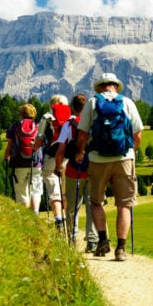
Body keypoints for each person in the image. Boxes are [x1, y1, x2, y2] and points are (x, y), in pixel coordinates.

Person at [74, 72, 143, 261]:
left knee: (96, 201)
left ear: (100, 87)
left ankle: (103, 241)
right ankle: (121, 249)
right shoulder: (127, 102)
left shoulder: (92, 103)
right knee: (124, 204)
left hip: (98, 159)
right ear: (115, 86)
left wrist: (80, 152)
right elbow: (138, 135)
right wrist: (133, 152)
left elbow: (82, 134)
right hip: (124, 158)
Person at [56, 93, 99, 251]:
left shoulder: (69, 125)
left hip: (74, 170)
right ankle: (93, 240)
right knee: (93, 205)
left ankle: (72, 239)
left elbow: (61, 150)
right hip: (94, 169)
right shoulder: (94, 123)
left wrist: (58, 167)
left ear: (72, 108)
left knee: (72, 207)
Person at [37, 94, 70, 231]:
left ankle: (59, 221)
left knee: (54, 192)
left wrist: (34, 148)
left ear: (52, 105)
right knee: (66, 191)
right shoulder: (71, 118)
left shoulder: (46, 118)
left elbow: (38, 140)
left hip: (51, 158)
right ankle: (67, 218)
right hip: (68, 158)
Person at [4, 103, 44, 214]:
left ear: (21, 114)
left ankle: (24, 216)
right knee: (36, 190)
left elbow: (9, 145)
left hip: (18, 163)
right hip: (35, 163)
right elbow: (42, 143)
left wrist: (6, 156)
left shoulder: (15, 127)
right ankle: (35, 212)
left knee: (21, 191)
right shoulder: (38, 126)